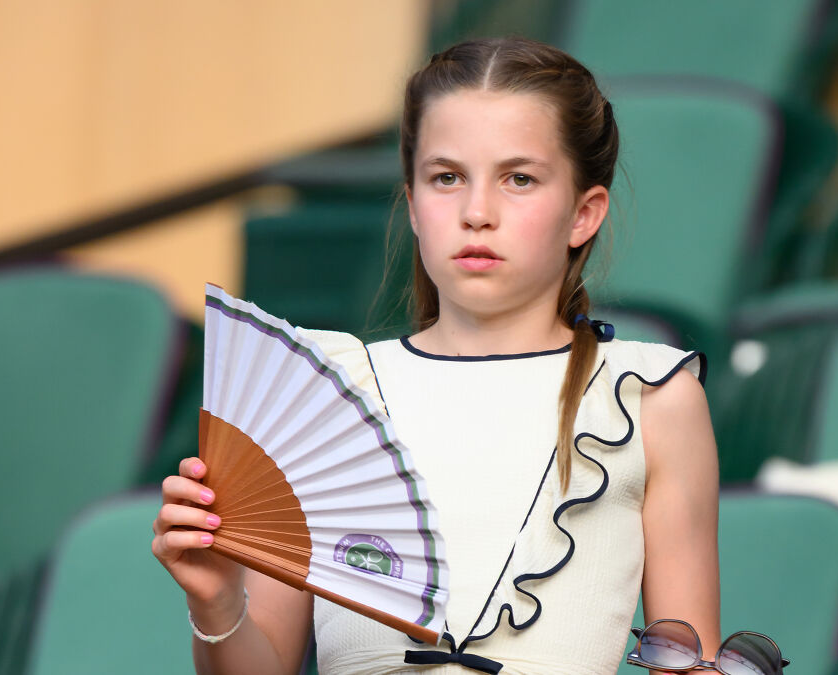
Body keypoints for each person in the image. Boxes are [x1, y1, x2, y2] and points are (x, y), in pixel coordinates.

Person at [152, 36, 720, 675]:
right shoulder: (322, 388)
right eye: (447, 178)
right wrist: (218, 601)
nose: (477, 212)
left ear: (583, 214)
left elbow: (688, 657)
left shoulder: (653, 397)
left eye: (519, 179)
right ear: (414, 204)